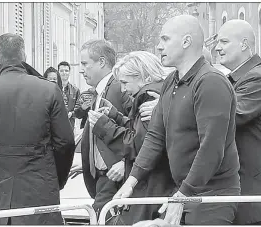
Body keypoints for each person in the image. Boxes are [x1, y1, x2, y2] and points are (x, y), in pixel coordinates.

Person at [114, 15, 241, 225]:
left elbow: (211, 148)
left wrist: (183, 195)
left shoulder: (210, 82)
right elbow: (155, 137)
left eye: (165, 39)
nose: (158, 46)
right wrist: (131, 182)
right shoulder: (171, 81)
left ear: (186, 41)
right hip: (183, 191)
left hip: (212, 197)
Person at [0, 33, 75, 225]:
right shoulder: (49, 90)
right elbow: (65, 142)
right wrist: (56, 179)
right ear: (24, 57)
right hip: (38, 187)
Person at [91, 51, 176, 224]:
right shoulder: (159, 94)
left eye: (124, 82)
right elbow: (141, 132)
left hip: (151, 185)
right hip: (156, 183)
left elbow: (137, 145)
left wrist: (103, 126)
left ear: (143, 77)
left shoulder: (148, 96)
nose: (122, 89)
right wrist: (116, 117)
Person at [215, 19, 261, 225]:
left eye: (223, 41)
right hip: (244, 189)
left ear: (243, 44)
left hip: (253, 193)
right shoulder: (238, 78)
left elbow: (225, 117)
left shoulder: (257, 79)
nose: (217, 47)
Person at [76, 39, 133, 218]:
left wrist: (125, 164)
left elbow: (138, 130)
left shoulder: (118, 88)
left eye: (85, 64)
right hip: (104, 178)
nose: (81, 69)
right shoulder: (100, 91)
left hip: (115, 179)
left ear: (101, 62)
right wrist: (89, 161)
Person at [58, 61, 81, 131]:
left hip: (70, 126)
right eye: (61, 71)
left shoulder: (75, 90)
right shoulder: (53, 88)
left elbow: (78, 108)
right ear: (58, 72)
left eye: (66, 71)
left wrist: (71, 113)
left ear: (69, 72)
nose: (64, 73)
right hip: (55, 125)